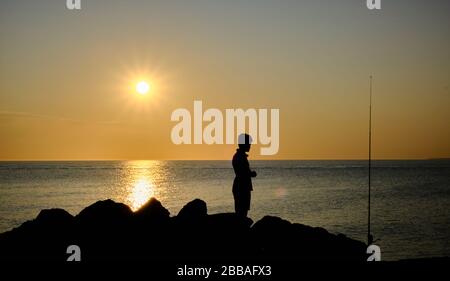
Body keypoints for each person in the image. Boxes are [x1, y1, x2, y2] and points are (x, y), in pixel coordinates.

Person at [232, 133, 257, 217]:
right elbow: (243, 173)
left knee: (242, 211)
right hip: (241, 187)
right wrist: (251, 174)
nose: (250, 146)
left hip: (241, 186)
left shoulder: (239, 156)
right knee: (241, 212)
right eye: (249, 143)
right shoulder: (240, 157)